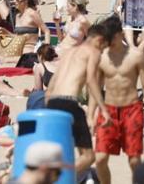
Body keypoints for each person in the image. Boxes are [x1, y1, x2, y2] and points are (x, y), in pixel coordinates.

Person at [91, 16, 144, 184]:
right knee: (100, 159)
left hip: (132, 110)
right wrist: (91, 115)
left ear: (119, 34)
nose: (108, 43)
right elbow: (95, 88)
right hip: (108, 111)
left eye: (110, 39)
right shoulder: (102, 57)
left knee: (134, 161)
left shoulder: (136, 56)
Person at [43, 23, 108, 176]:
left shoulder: (70, 52)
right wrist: (103, 109)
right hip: (69, 103)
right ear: (99, 39)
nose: (102, 50)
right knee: (88, 156)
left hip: (52, 102)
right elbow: (91, 81)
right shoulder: (93, 52)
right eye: (104, 46)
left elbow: (51, 85)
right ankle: (59, 179)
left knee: (60, 151)